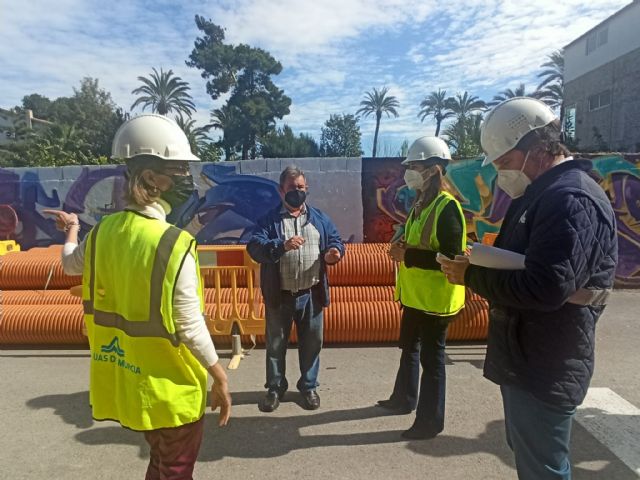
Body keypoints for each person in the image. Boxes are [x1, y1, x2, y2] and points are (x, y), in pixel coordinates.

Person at [438, 97, 617, 479]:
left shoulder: (569, 198)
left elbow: (546, 286)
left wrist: (469, 276)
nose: (500, 171)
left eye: (503, 161)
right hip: (528, 357)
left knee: (543, 469)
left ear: (536, 150)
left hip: (547, 362)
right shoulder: (541, 193)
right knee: (532, 458)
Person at [44, 114, 231, 480]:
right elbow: (190, 325)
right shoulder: (174, 244)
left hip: (130, 385)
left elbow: (69, 265)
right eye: (179, 169)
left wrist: (72, 229)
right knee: (174, 469)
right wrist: (220, 377)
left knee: (160, 463)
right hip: (171, 391)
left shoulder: (103, 233)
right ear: (153, 178)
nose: (186, 179)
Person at [376, 136, 466, 440]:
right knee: (408, 349)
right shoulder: (420, 203)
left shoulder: (447, 207)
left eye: (414, 166)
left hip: (437, 300)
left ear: (433, 169)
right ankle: (403, 399)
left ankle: (430, 421)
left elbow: (453, 257)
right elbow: (417, 241)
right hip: (415, 296)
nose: (409, 172)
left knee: (432, 361)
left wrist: (407, 255)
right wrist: (400, 245)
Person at [247, 165, 344, 413]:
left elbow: (335, 240)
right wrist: (281, 245)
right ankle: (275, 388)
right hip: (279, 295)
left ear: (307, 189)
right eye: (292, 188)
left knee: (312, 343)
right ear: (282, 191)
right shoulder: (269, 220)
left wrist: (335, 253)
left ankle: (308, 387)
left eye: (300, 187)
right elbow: (255, 247)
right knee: (276, 345)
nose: (297, 192)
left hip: (311, 294)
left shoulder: (319, 219)